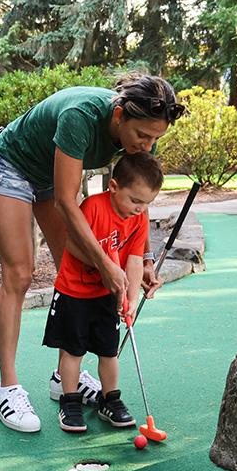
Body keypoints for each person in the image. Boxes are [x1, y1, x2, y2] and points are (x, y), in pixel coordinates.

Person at [0, 76, 183, 433]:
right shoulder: (81, 117)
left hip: (50, 172)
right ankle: (7, 389)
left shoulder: (139, 135)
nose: (147, 146)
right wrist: (108, 263)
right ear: (120, 115)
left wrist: (147, 259)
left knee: (75, 269)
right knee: (20, 274)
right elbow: (65, 200)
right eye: (143, 136)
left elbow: (140, 196)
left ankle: (65, 378)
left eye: (156, 138)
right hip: (12, 164)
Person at [42, 152, 163, 433]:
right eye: (135, 200)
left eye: (146, 203)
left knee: (109, 351)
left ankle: (111, 399)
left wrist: (130, 298)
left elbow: (134, 259)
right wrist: (106, 266)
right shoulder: (93, 207)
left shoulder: (138, 218)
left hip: (104, 296)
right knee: (73, 352)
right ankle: (69, 401)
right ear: (113, 187)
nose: (139, 208)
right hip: (74, 291)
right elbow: (71, 244)